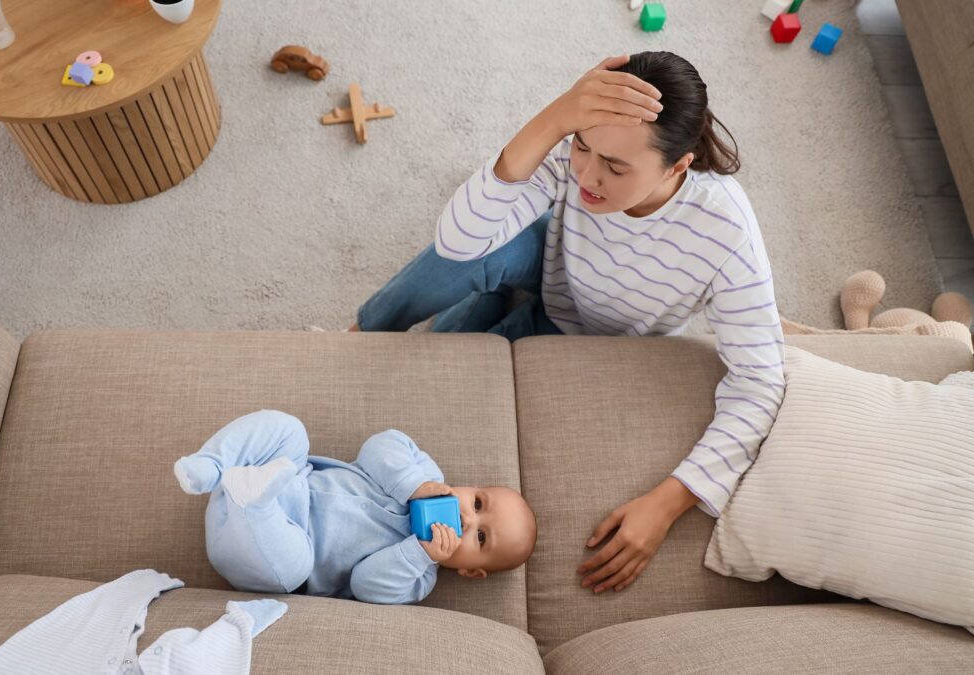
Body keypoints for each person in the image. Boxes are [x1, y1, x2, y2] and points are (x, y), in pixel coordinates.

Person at [350, 52, 784, 594]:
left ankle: (497, 303)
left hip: (595, 338)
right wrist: (556, 120)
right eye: (582, 146)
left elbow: (761, 383)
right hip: (552, 264)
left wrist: (669, 501)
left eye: (616, 168)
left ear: (677, 167)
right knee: (479, 249)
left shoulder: (725, 232)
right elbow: (456, 243)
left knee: (444, 369)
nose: (587, 175)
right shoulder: (572, 155)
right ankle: (364, 335)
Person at [174, 410, 537, 605]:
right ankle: (210, 466)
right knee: (289, 430)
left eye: (480, 537)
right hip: (288, 479)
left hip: (263, 550)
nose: (466, 518)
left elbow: (366, 585)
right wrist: (412, 485)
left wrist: (419, 553)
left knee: (292, 569)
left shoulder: (419, 578)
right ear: (470, 487)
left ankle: (255, 503)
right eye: (477, 503)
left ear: (470, 571)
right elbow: (381, 444)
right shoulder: (426, 475)